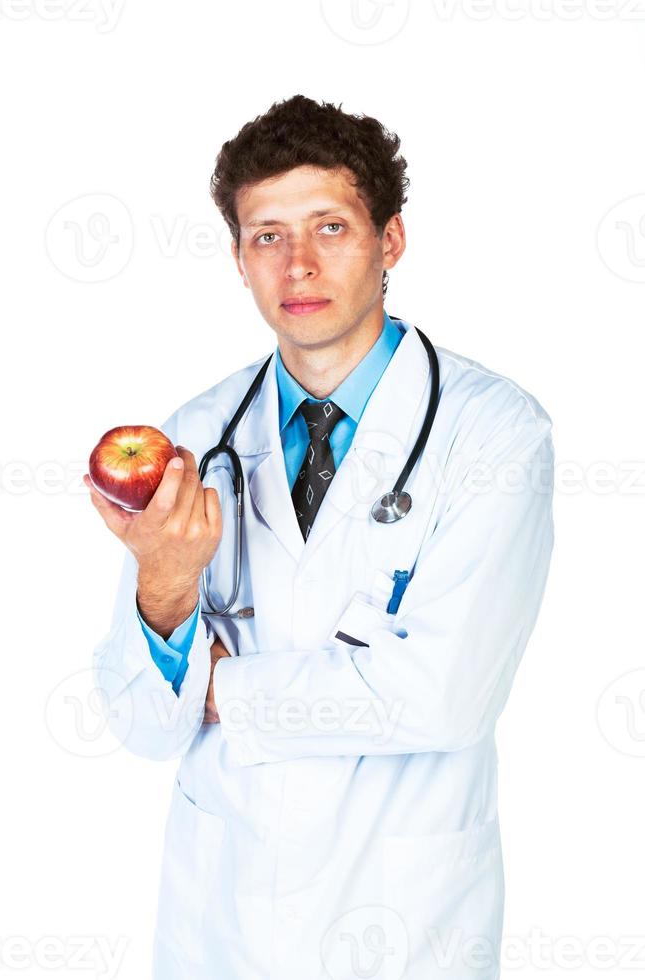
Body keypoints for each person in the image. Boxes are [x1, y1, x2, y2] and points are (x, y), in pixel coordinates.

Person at [85, 94, 555, 980]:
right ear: (237, 258)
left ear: (391, 240)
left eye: (330, 226)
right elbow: (146, 725)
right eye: (267, 235)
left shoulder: (492, 432)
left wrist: (221, 689)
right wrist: (166, 586)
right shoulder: (197, 436)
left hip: (406, 921)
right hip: (220, 924)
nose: (297, 264)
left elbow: (443, 698)